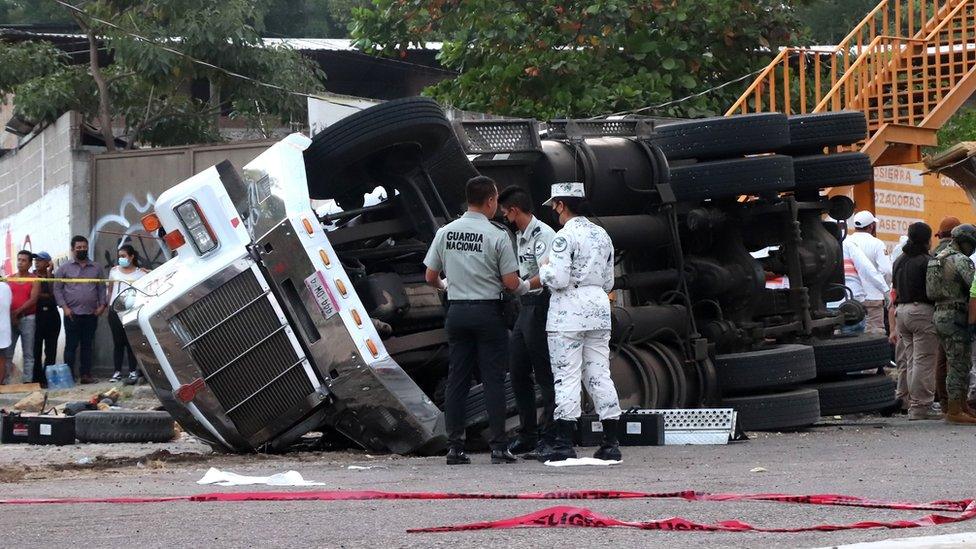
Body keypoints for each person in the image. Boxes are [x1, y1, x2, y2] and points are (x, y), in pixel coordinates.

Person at [423, 175, 526, 465]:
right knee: (493, 379)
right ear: (491, 200)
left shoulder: (446, 232)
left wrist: (447, 287)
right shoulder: (496, 235)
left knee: (458, 378)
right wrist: (526, 285)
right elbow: (509, 282)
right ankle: (498, 447)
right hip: (488, 314)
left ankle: (455, 447)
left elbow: (430, 276)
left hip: (456, 312)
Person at [537, 182, 622, 462]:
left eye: (554, 207)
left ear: (561, 205)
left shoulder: (563, 237)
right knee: (599, 373)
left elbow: (558, 279)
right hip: (598, 308)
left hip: (568, 313)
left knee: (567, 375)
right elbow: (609, 279)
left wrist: (544, 268)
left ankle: (564, 444)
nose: (554, 212)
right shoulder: (602, 234)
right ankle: (611, 442)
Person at [498, 185, 557, 460]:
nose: (504, 218)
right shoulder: (520, 235)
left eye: (505, 213)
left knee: (545, 372)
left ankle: (551, 435)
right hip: (525, 307)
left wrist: (521, 286)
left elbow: (545, 274)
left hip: (541, 304)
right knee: (518, 369)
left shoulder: (543, 234)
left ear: (514, 210)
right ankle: (528, 434)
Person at [890, 223, 940, 420]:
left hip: (901, 312)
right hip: (922, 312)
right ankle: (920, 407)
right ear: (927, 240)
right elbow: (934, 290)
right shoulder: (927, 261)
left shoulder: (900, 260)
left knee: (911, 360)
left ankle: (912, 403)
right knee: (924, 361)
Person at [931, 224, 976, 424]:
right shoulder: (961, 260)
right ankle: (955, 410)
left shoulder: (937, 258)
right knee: (959, 363)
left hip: (940, 312)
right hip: (957, 314)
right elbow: (972, 285)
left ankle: (961, 405)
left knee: (953, 360)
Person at [53, 236, 106, 384]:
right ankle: (69, 376)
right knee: (71, 346)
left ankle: (86, 375)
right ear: (72, 249)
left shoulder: (96, 267)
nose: (82, 250)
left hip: (91, 314)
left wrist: (102, 306)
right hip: (72, 314)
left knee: (87, 346)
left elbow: (102, 287)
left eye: (84, 247)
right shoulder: (64, 268)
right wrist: (64, 308)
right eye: (79, 247)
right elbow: (57, 289)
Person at [107, 245, 149, 384]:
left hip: (131, 311)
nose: (121, 259)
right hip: (115, 311)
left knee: (131, 341)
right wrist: (109, 305)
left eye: (124, 256)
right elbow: (110, 290)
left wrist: (148, 272)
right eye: (119, 256)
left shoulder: (140, 274)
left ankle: (132, 371)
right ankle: (117, 372)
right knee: (118, 342)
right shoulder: (114, 271)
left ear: (131, 257)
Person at [847, 211, 893, 334]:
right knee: (874, 334)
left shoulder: (847, 242)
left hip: (852, 297)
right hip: (874, 297)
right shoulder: (877, 243)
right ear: (871, 226)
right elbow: (887, 270)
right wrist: (884, 289)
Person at [934, 216, 961, 410]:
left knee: (940, 360)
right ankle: (956, 405)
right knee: (956, 359)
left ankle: (944, 402)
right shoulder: (957, 255)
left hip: (935, 311)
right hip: (955, 312)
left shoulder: (932, 253)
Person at [840, 236, 889, 335]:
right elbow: (869, 269)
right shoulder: (849, 244)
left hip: (828, 304)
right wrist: (885, 290)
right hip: (853, 301)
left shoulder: (815, 245)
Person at [6, 250, 38, 383]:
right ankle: (5, 380)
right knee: (7, 353)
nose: (20, 263)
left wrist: (17, 312)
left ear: (30, 264)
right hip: (10, 319)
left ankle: (27, 381)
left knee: (28, 352)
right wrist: (12, 315)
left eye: (24, 260)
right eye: (19, 259)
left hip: (27, 318)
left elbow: (33, 299)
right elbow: (5, 299)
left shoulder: (34, 279)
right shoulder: (9, 278)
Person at [31, 252, 60, 386]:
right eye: (36, 260)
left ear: (48, 262)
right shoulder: (31, 277)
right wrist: (43, 295)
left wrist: (49, 273)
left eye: (41, 260)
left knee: (51, 349)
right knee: (36, 349)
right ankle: (36, 378)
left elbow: (53, 294)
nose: (37, 262)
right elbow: (34, 297)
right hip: (37, 316)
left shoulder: (52, 277)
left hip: (52, 316)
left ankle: (47, 377)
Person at [0, 281, 10, 384]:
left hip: (2, 328)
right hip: (3, 327)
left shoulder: (4, 287)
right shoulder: (6, 287)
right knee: (2, 357)